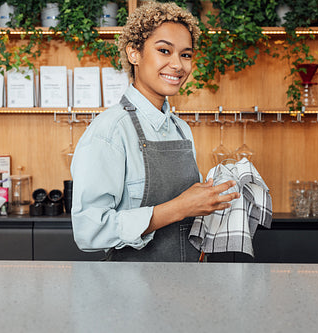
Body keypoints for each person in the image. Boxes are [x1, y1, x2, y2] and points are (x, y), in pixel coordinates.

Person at [71, 1, 239, 262]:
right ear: (134, 54)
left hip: (186, 285)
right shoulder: (111, 130)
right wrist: (179, 208)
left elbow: (188, 218)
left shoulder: (181, 129)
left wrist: (209, 203)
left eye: (185, 55)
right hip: (132, 293)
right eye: (164, 51)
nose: (178, 65)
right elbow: (89, 231)